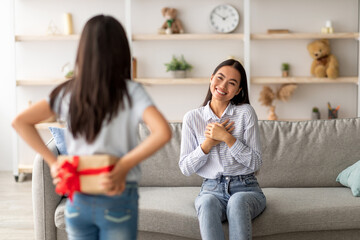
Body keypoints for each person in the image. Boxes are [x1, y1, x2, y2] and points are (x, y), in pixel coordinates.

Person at [12, 15, 172, 240]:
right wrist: (124, 165)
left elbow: (20, 121)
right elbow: (163, 132)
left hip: (77, 197)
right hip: (118, 194)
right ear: (121, 51)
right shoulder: (131, 91)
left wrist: (54, 163)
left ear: (83, 51)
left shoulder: (68, 92)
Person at [179, 59, 266, 240]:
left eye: (232, 83)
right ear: (211, 79)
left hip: (246, 188)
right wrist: (208, 144)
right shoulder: (192, 118)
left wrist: (227, 138)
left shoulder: (245, 113)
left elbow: (256, 162)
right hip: (211, 189)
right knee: (206, 202)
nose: (223, 86)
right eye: (220, 78)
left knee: (237, 201)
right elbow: (185, 167)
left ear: (238, 91)